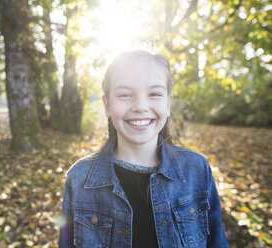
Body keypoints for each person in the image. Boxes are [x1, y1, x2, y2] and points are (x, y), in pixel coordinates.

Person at [59, 50, 228, 247]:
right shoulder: (79, 178)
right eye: (125, 95)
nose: (140, 106)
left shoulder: (197, 170)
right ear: (107, 105)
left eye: (154, 94)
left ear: (168, 103)